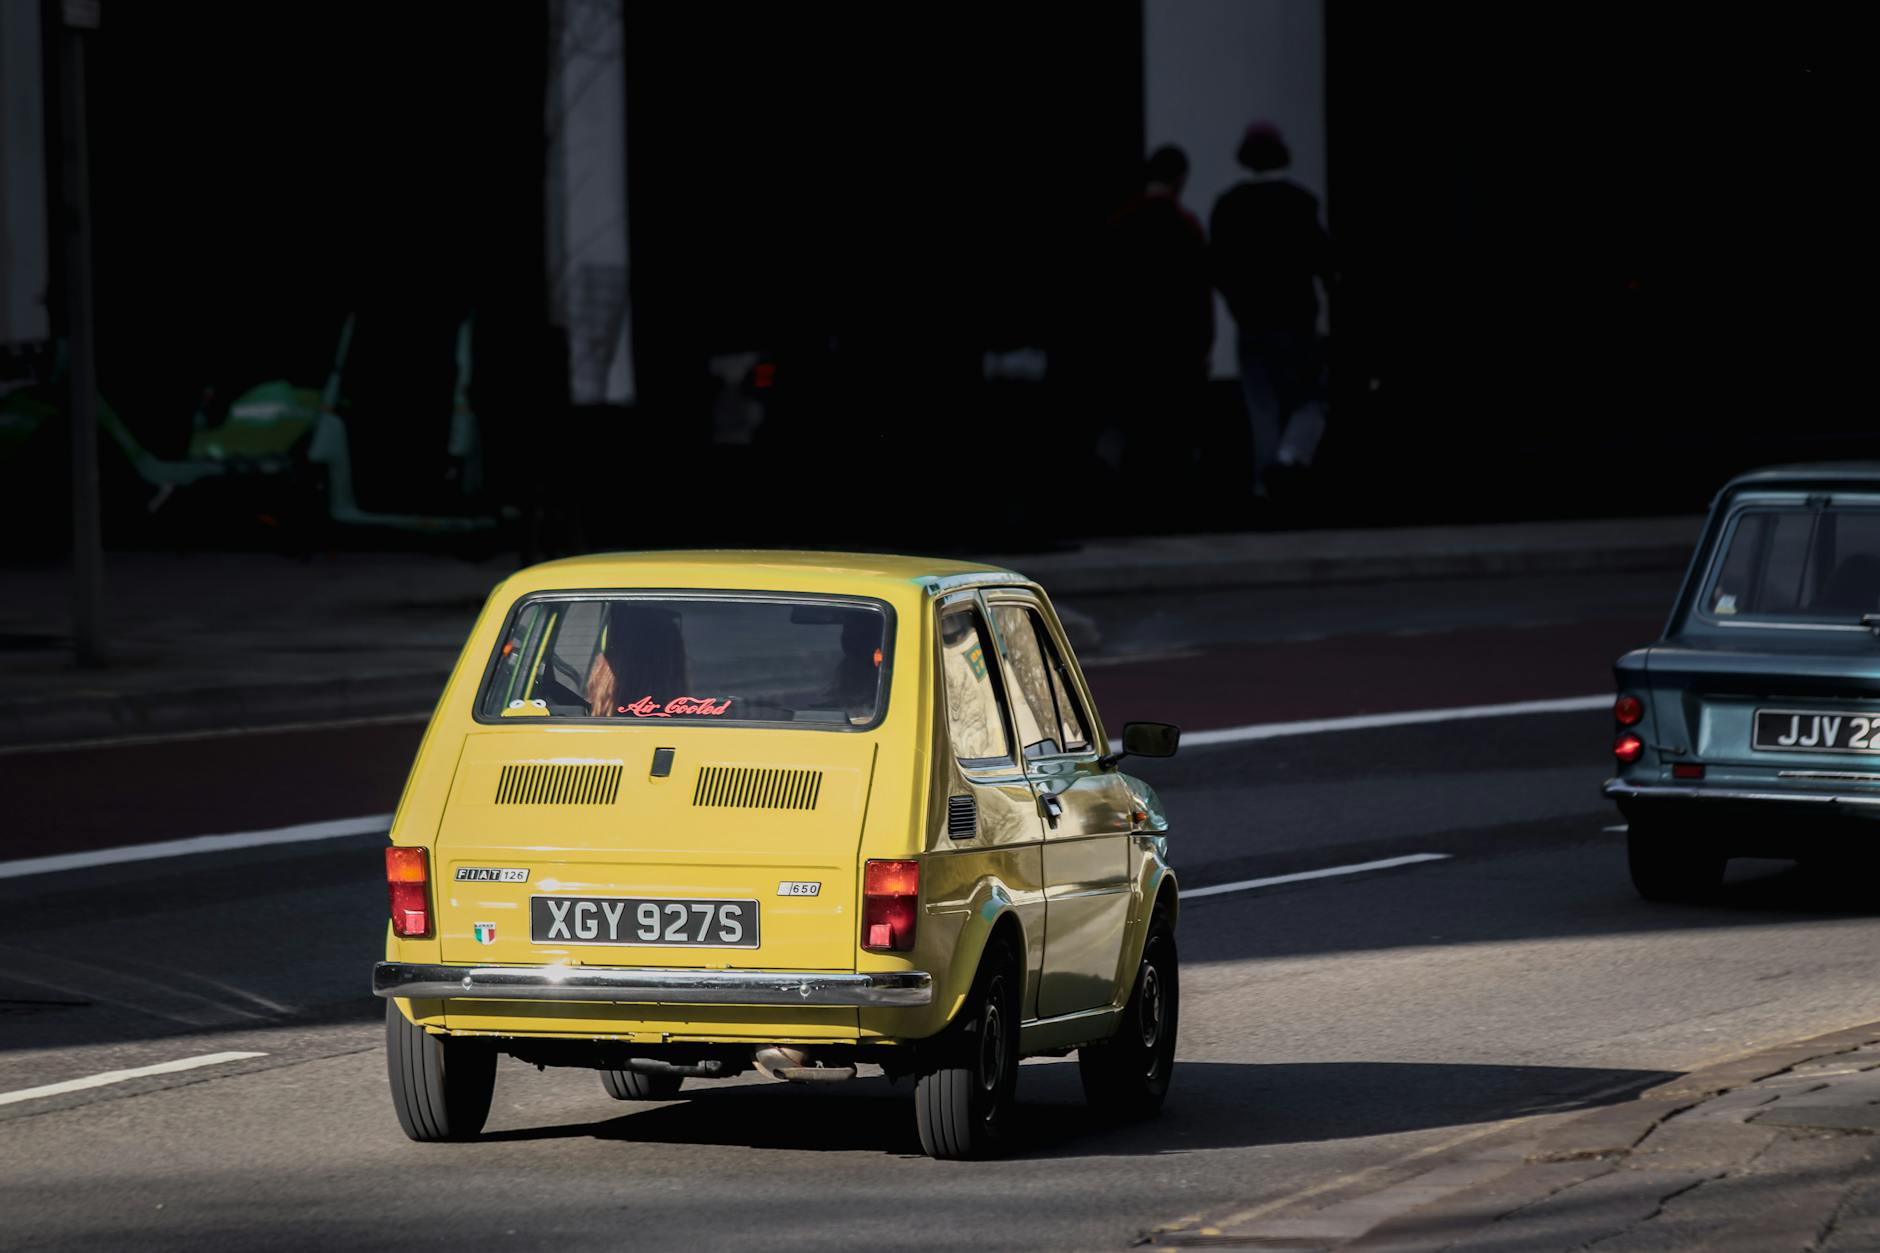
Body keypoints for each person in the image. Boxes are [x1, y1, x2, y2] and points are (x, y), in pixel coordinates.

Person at [1210, 122, 1333, 500]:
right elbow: (1323, 262)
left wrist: (1238, 304)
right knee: (1308, 400)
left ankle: (1265, 483)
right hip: (1294, 321)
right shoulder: (1300, 203)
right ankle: (1288, 459)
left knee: (1260, 406)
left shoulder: (1230, 205)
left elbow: (1219, 268)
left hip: (1252, 322)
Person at [1101, 145, 1214, 485]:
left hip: (1130, 341)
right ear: (1181, 178)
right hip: (1174, 345)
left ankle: (1108, 487)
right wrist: (1203, 343)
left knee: (1124, 419)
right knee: (1172, 425)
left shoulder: (1121, 223)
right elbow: (1197, 293)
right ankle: (1169, 493)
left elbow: (1106, 288)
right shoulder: (1186, 226)